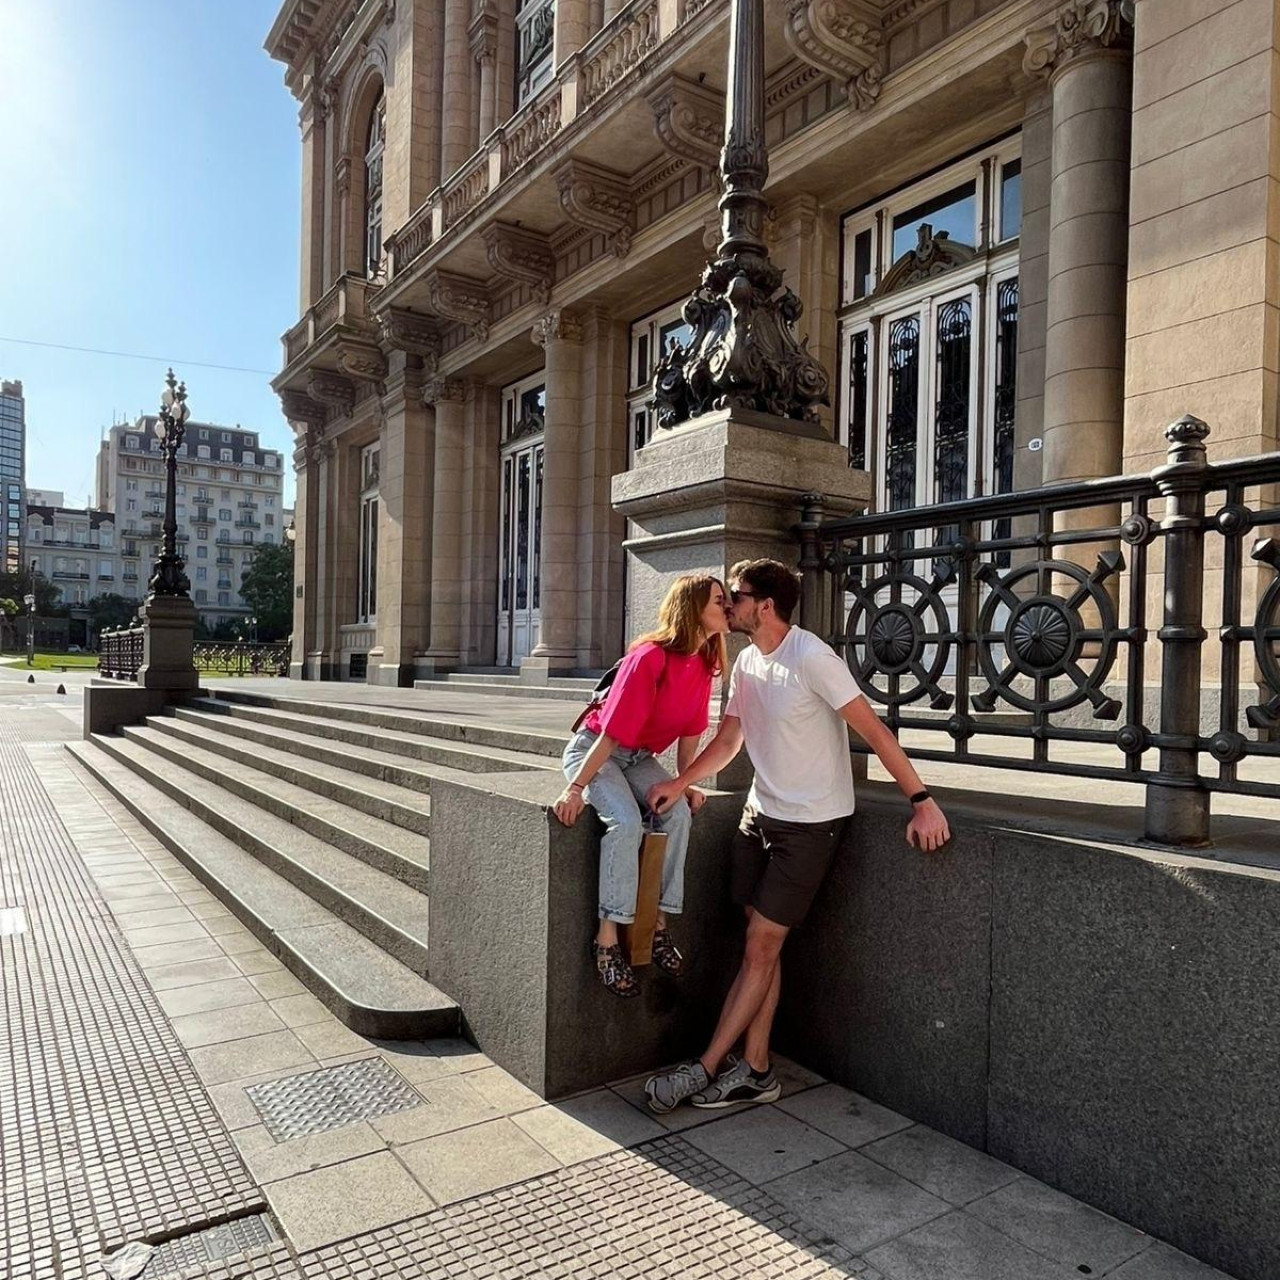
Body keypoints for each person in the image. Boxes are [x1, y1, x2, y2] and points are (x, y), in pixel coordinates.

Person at [643, 558, 950, 1110]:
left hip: (810, 825)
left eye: (736, 595)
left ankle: (705, 1066)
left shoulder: (812, 657)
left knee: (761, 946)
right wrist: (680, 782)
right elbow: (729, 740)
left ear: (764, 606)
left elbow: (874, 731)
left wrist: (921, 801)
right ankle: (757, 1069)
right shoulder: (746, 661)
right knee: (761, 946)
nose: (727, 603)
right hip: (758, 816)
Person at [554, 573, 730, 998]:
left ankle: (657, 925)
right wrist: (575, 788)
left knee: (679, 814)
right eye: (718, 600)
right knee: (626, 822)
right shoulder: (649, 658)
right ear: (693, 608)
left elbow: (690, 733)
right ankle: (607, 939)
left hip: (638, 757)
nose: (727, 607)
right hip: (596, 751)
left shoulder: (705, 663)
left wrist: (684, 783)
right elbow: (609, 735)